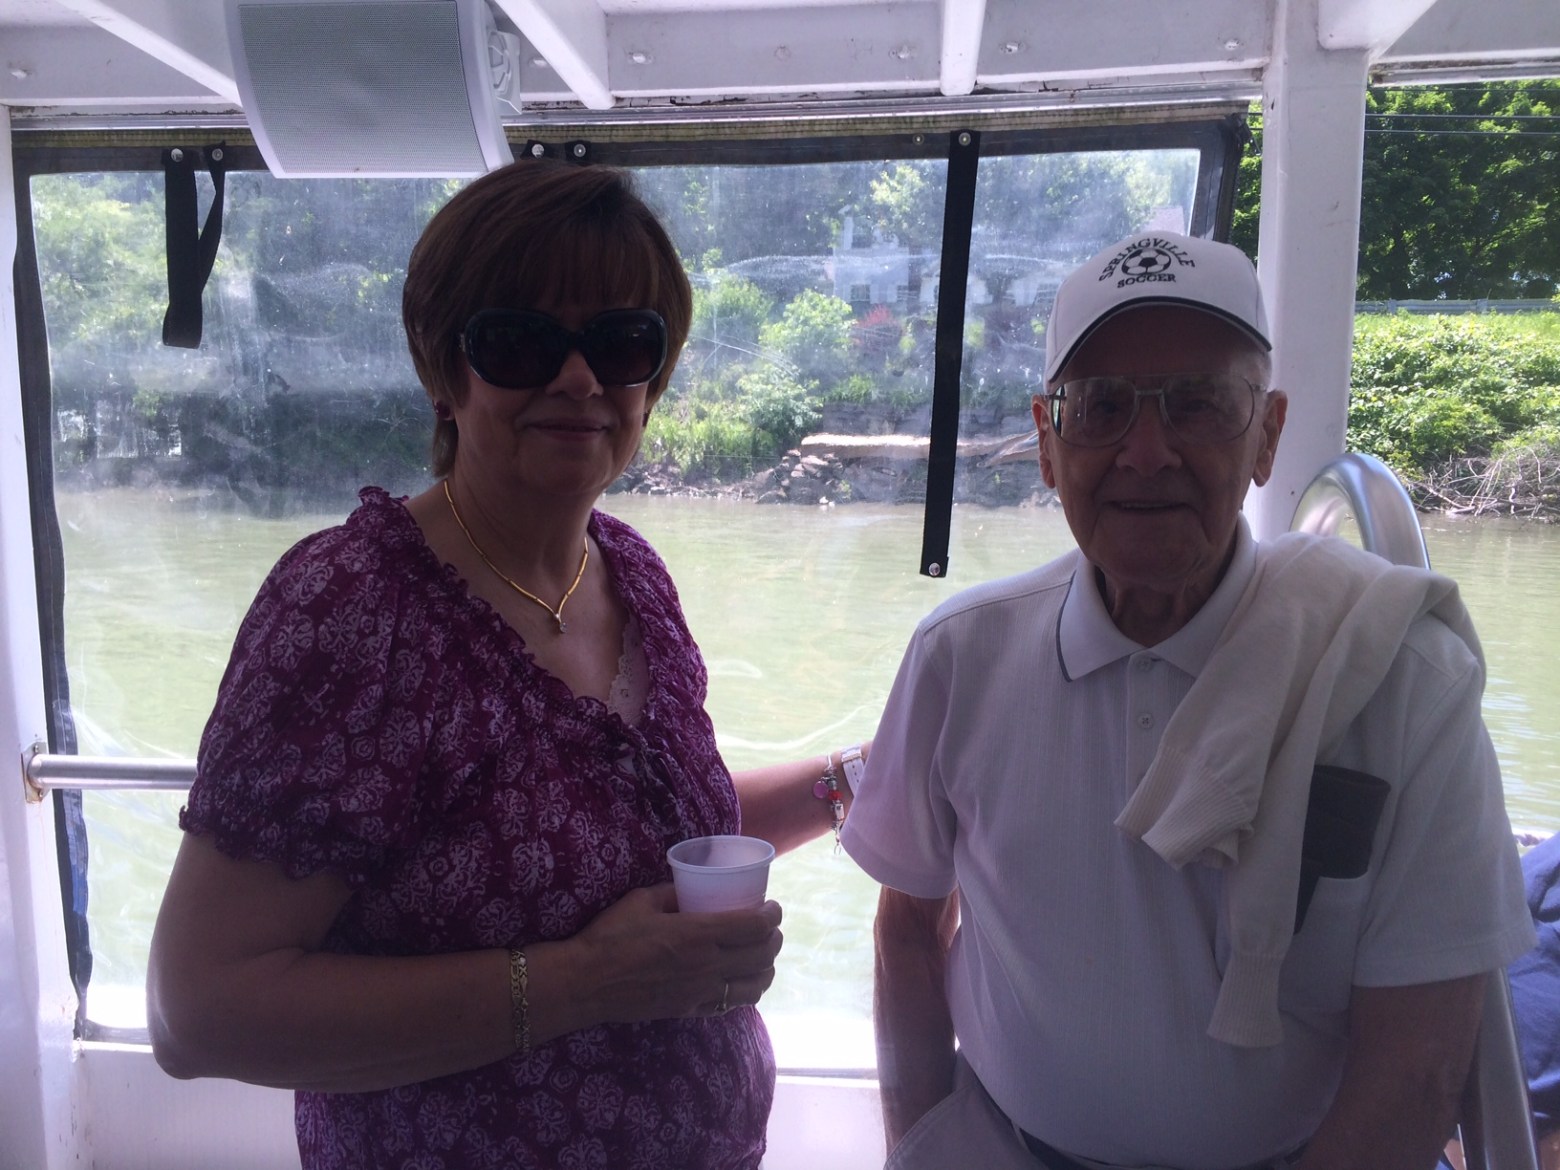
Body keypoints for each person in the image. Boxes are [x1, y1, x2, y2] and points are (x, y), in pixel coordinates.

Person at [147, 158, 867, 1170]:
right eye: (520, 343)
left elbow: (644, 830)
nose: (579, 380)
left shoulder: (633, 575)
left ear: (652, 382)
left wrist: (859, 779)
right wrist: (586, 981)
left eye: (623, 343)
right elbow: (200, 1014)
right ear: (446, 371)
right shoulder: (354, 608)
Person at [841, 231, 1535, 1170]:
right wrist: (921, 1143)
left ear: (1268, 436)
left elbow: (1417, 1061)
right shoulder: (959, 659)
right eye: (1102, 408)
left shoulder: (1399, 679)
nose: (1147, 451)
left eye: (1199, 404)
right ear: (1047, 446)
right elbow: (910, 926)